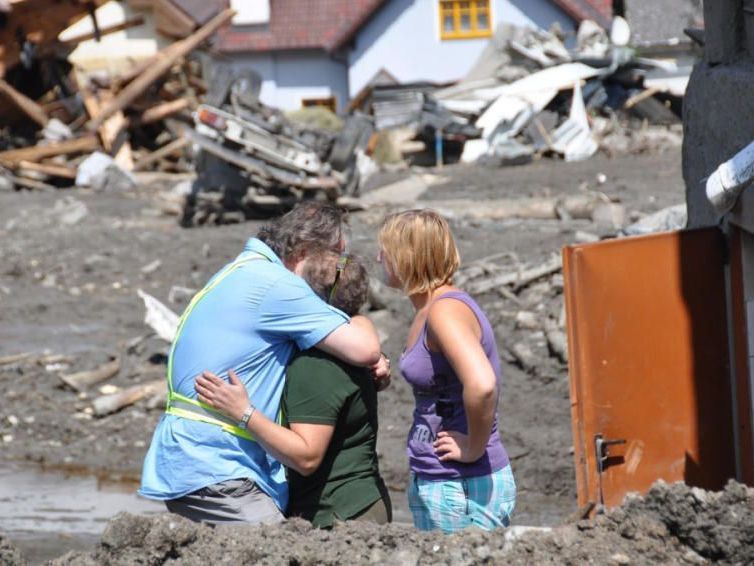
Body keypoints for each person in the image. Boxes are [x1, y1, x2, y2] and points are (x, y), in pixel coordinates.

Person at [139, 202, 390, 525]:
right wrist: (375, 352)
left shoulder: (243, 270)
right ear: (305, 250)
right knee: (278, 553)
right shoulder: (277, 286)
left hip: (198, 458)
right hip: (215, 465)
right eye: (337, 255)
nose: (340, 265)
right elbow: (364, 348)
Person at [195, 250, 392, 528]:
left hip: (340, 515)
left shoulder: (316, 366)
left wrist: (243, 412)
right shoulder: (354, 345)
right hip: (362, 502)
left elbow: (306, 456)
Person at [376, 208, 516, 533]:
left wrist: (473, 447)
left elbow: (482, 384)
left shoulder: (444, 312)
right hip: (444, 480)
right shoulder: (430, 309)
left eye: (386, 250)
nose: (379, 257)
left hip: (461, 484)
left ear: (407, 257)